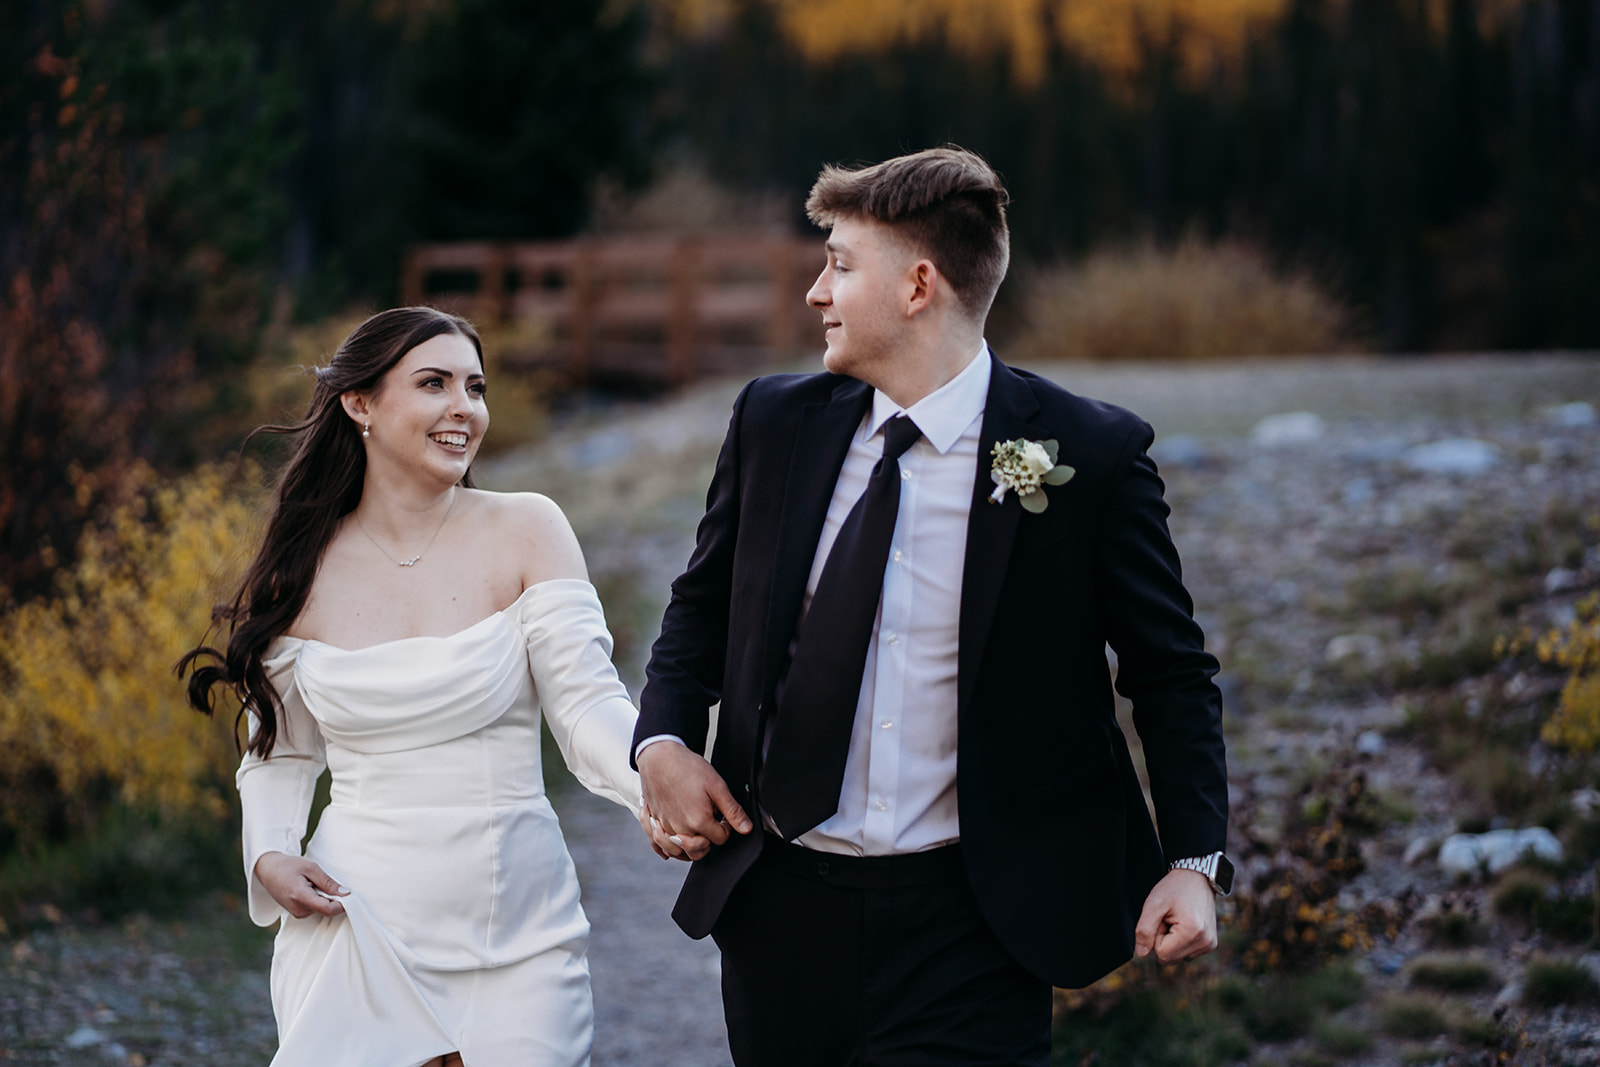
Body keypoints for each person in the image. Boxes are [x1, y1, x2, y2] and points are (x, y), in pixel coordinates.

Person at [633, 147, 1232, 1066]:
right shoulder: (772, 423)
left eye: (838, 263)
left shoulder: (1087, 453)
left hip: (979, 921)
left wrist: (1193, 863)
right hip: (780, 910)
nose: (815, 293)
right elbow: (700, 610)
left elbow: (1172, 673)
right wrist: (664, 740)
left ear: (919, 285)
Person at [180, 307, 645, 1067]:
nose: (464, 407)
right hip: (356, 925)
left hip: (518, 931)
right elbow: (281, 750)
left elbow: (589, 702)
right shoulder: (303, 568)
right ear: (358, 403)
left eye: (476, 386)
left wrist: (654, 779)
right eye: (434, 383)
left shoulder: (528, 528)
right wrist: (268, 853)